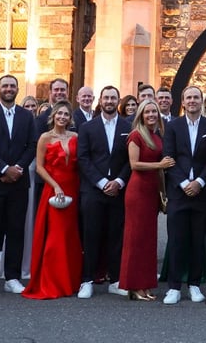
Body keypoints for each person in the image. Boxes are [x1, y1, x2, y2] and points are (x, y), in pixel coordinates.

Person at [0, 75, 39, 296]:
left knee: (15, 231)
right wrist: (4, 169)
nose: (9, 89)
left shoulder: (26, 116)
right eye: (5, 86)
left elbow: (32, 145)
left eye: (12, 86)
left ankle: (12, 277)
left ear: (17, 89)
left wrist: (17, 169)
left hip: (18, 183)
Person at [162, 86, 206, 305]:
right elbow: (169, 157)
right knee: (176, 240)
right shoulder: (173, 126)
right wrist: (185, 183)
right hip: (179, 191)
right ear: (182, 102)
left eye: (196, 97)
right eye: (188, 98)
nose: (192, 101)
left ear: (201, 101)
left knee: (197, 241)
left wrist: (199, 182)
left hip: (202, 192)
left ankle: (194, 284)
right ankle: (174, 286)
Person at [76, 85, 131, 298]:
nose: (109, 101)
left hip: (118, 189)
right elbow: (83, 158)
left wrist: (118, 181)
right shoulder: (88, 128)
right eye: (106, 97)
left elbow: (129, 159)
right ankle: (87, 280)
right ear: (101, 100)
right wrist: (101, 182)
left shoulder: (128, 126)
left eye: (113, 98)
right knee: (91, 235)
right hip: (93, 190)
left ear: (118, 101)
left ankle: (115, 280)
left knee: (115, 236)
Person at [22, 102, 81, 299]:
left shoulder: (75, 137)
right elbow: (39, 167)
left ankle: (70, 282)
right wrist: (55, 186)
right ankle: (52, 282)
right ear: (53, 116)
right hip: (54, 189)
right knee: (55, 237)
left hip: (72, 187)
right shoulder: (44, 138)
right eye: (59, 114)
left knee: (70, 235)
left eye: (66, 114)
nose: (62, 117)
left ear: (70, 118)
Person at [120, 100, 174, 301]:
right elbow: (134, 164)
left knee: (148, 240)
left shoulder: (156, 135)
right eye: (147, 111)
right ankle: (133, 286)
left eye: (154, 111)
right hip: (138, 190)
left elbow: (159, 169)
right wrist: (159, 164)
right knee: (135, 239)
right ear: (141, 115)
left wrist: (162, 192)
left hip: (152, 190)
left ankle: (145, 284)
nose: (151, 114)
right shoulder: (136, 135)